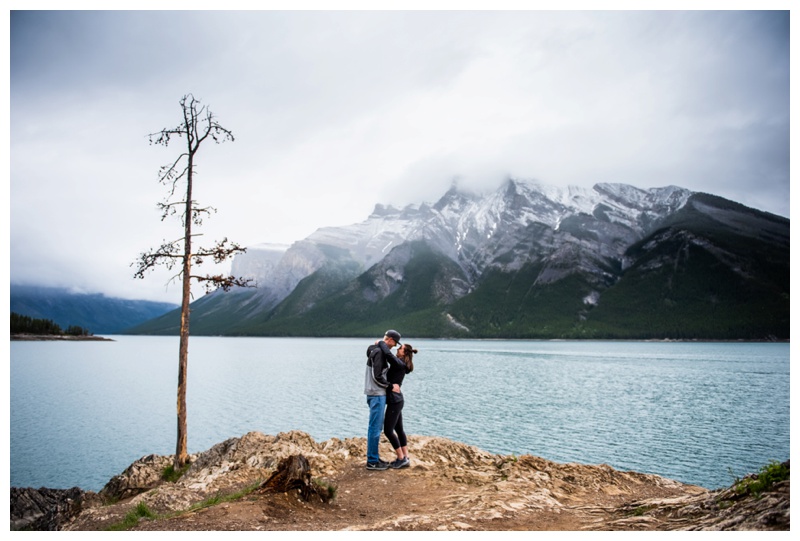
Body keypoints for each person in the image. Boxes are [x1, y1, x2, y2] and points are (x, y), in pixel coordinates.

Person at [364, 330, 403, 470]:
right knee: (375, 428)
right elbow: (377, 376)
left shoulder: (375, 349)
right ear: (391, 340)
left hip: (374, 393)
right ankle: (372, 461)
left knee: (374, 427)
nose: (394, 346)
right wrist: (391, 386)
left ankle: (373, 457)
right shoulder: (380, 353)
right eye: (395, 343)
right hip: (377, 394)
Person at [384, 342, 416, 469]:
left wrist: (381, 343)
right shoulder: (401, 364)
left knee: (388, 430)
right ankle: (405, 457)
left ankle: (401, 458)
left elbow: (388, 355)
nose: (397, 349)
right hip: (397, 401)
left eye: (400, 348)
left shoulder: (399, 363)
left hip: (394, 401)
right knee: (399, 430)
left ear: (404, 353)